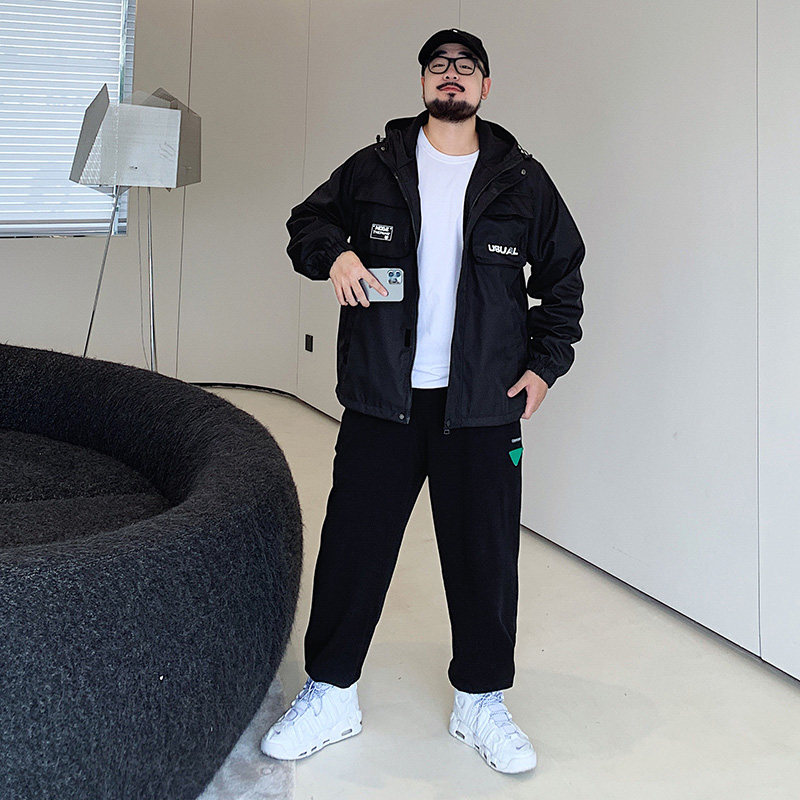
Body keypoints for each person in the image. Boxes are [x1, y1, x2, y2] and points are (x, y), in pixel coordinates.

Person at [261, 28, 585, 775]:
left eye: (466, 68)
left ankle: (481, 700)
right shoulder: (375, 167)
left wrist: (544, 367)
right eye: (439, 66)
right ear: (422, 82)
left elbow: (563, 279)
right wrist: (337, 254)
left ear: (486, 87)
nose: (452, 76)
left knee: (485, 556)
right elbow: (306, 223)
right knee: (355, 546)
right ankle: (330, 691)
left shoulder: (522, 181)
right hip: (384, 398)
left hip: (482, 406)